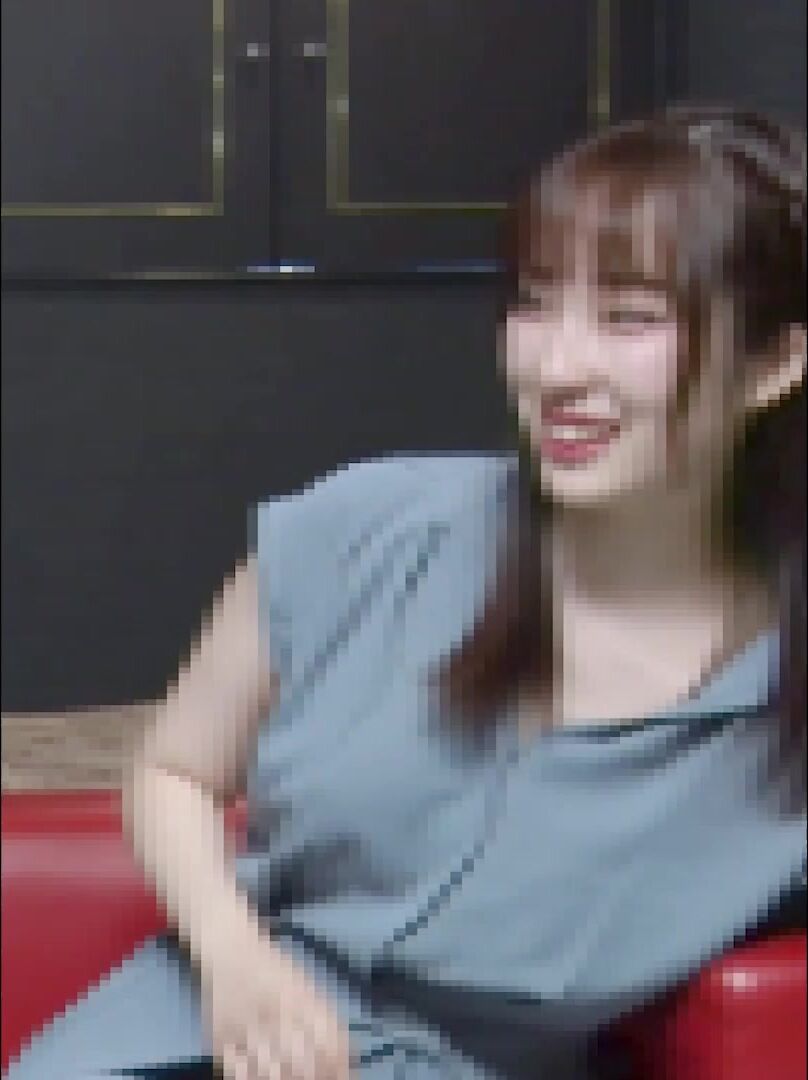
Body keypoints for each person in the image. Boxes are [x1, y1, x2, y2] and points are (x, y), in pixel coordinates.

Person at [7, 104, 806, 1080]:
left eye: (630, 319)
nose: (556, 367)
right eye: (533, 304)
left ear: (774, 363)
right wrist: (234, 958)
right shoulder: (365, 528)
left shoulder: (778, 691)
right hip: (192, 1031)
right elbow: (174, 771)